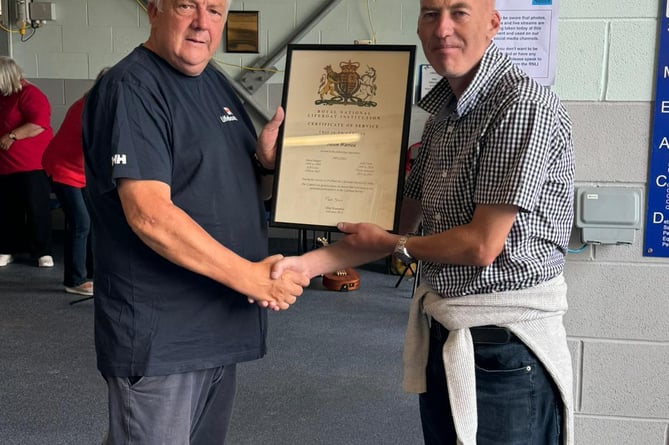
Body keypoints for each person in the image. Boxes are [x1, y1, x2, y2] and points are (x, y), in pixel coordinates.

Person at [272, 0, 575, 444]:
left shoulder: (519, 105)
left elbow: (481, 245)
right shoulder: (442, 119)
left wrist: (400, 244)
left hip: (504, 348)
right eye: (431, 14)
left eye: (459, 12)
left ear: (493, 24)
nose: (442, 29)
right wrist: (305, 265)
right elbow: (396, 219)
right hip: (446, 330)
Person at [81, 0, 308, 443]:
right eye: (187, 5)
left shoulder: (215, 84)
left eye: (216, 10)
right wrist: (251, 277)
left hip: (219, 327)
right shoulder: (133, 86)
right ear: (154, 9)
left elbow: (239, 192)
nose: (204, 23)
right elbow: (149, 214)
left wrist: (265, 165)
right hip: (162, 336)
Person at [42, 69, 108, 296]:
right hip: (62, 168)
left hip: (82, 172)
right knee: (81, 222)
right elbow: (99, 149)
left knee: (92, 221)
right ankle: (74, 280)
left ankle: (92, 274)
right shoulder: (89, 109)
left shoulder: (100, 106)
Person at [0, 56, 54, 268]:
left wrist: (12, 136)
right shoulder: (3, 95)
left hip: (32, 164)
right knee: (6, 209)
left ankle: (42, 251)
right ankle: (7, 249)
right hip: (5, 165)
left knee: (36, 208)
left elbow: (39, 124)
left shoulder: (30, 94)